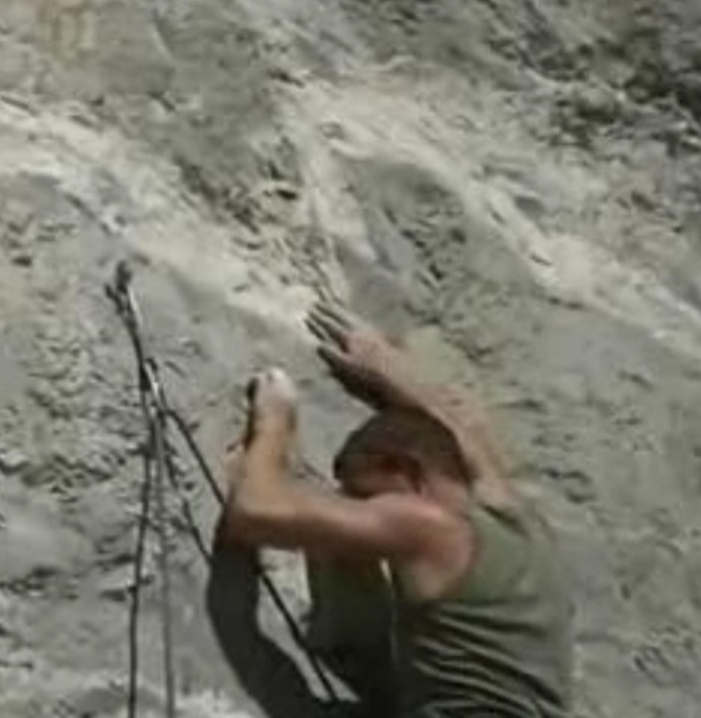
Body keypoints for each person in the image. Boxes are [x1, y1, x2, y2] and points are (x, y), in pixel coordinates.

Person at [223, 300, 574, 717]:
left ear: (403, 469)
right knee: (341, 538)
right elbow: (466, 432)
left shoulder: (430, 528)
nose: (362, 507)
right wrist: (386, 365)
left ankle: (346, 648)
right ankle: (348, 649)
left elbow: (252, 512)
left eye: (366, 494)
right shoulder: (511, 515)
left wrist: (273, 422)